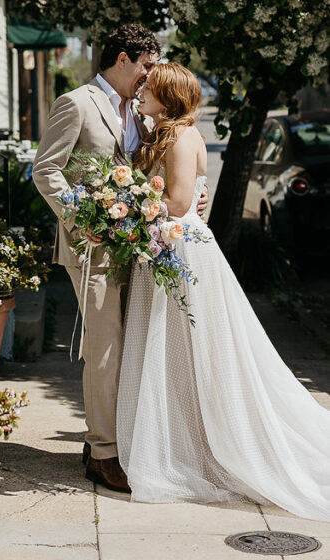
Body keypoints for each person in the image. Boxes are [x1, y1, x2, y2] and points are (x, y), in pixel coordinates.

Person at [117, 62, 330, 519]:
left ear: (168, 95)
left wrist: (122, 206)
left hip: (176, 247)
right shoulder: (170, 132)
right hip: (173, 242)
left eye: (150, 88)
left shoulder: (177, 137)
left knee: (184, 346)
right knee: (181, 349)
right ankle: (185, 431)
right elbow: (190, 196)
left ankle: (196, 445)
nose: (142, 92)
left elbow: (175, 202)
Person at [32, 24, 208, 493]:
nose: (150, 77)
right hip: (91, 248)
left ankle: (113, 441)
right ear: (125, 58)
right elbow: (46, 169)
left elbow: (167, 166)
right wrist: (80, 217)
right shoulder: (77, 102)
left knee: (130, 349)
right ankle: (103, 456)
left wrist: (194, 200)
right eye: (147, 65)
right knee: (105, 350)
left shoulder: (145, 114)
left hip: (139, 250)